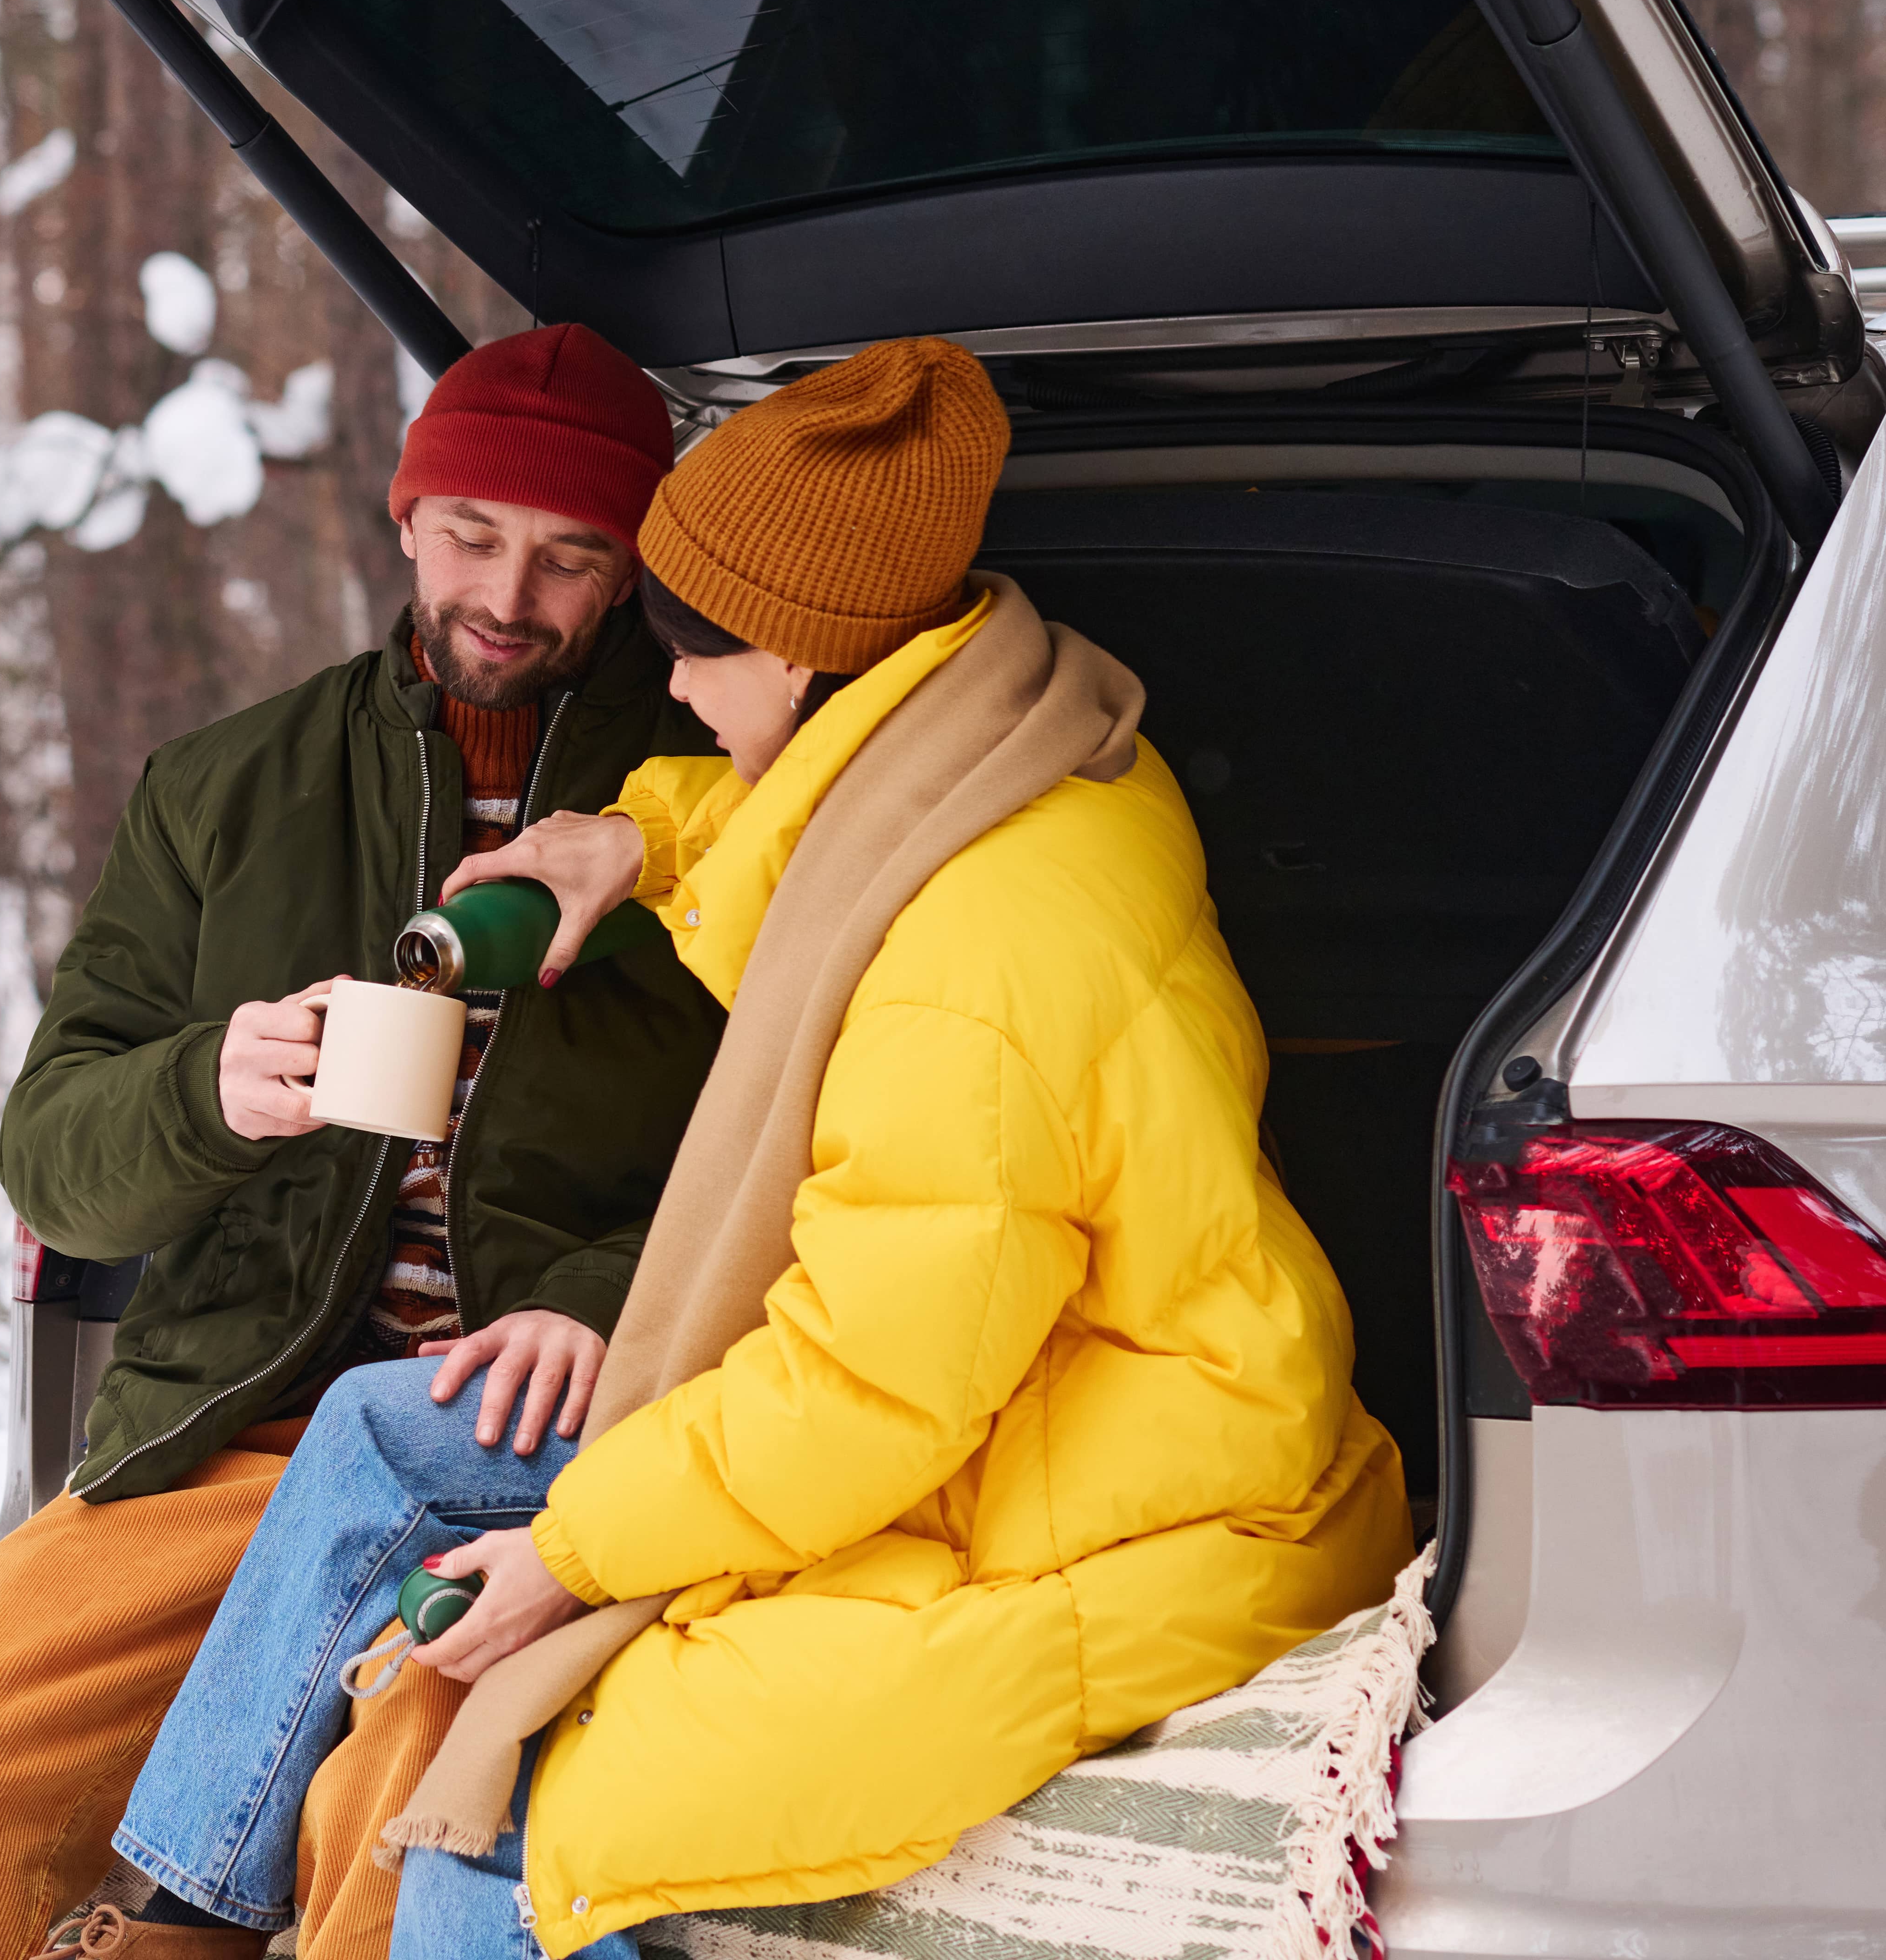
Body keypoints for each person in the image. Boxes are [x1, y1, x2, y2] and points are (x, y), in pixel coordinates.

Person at [85, 337, 1409, 1960]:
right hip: (1007, 1407)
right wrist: (641, 839)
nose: (681, 697)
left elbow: (869, 1395)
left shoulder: (974, 960)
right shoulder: (1017, 744)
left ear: (796, 658)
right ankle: (184, 1915)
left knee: (522, 1828)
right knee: (380, 1430)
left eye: (691, 653)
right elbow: (819, 821)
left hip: (1090, 1507)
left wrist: (568, 1556)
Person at [0, 324, 733, 1960]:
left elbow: (799, 1139)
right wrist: (209, 1090)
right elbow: (52, 1156)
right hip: (239, 1426)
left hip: (528, 1450)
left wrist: (604, 1296)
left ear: (630, 575)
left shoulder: (706, 811)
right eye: (470, 536)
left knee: (381, 1826)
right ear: (404, 519)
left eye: (567, 556)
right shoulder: (222, 789)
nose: (507, 596)